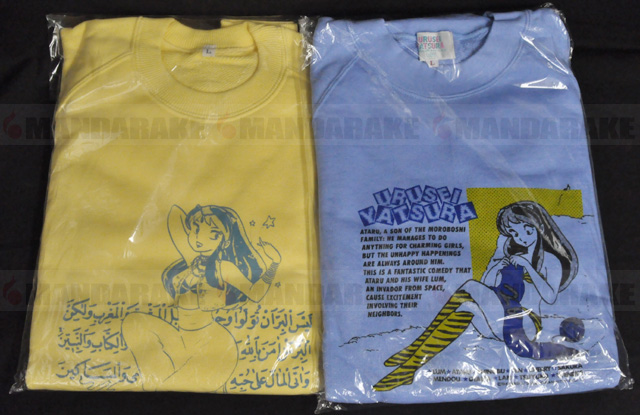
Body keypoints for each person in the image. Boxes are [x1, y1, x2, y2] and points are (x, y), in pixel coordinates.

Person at [373, 201, 579, 391]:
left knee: (470, 287)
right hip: (500, 318)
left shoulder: (550, 260)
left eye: (527, 229)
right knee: (465, 306)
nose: (521, 237)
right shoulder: (513, 254)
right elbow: (488, 285)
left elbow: (550, 297)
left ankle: (411, 359)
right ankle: (411, 363)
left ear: (539, 225)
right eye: (515, 233)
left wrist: (527, 266)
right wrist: (497, 265)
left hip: (524, 326)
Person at [122, 204, 281, 391]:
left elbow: (255, 295)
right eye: (196, 230)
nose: (199, 239)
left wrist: (273, 265)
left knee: (186, 380)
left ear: (225, 241)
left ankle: (164, 387)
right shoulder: (190, 263)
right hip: (176, 335)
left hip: (211, 340)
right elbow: (174, 216)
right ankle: (164, 384)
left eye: (213, 234)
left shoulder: (224, 267)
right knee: (133, 322)